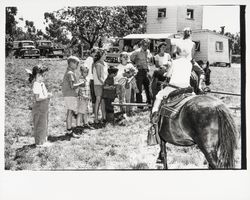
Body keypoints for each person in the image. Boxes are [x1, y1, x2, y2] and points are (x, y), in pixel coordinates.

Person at [151, 27, 198, 122]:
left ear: (177, 53)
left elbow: (168, 75)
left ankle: (154, 113)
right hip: (186, 88)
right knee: (195, 97)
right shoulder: (189, 64)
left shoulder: (174, 62)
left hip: (174, 87)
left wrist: (165, 74)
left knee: (159, 96)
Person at [29, 65, 53, 147]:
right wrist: (47, 96)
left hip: (44, 106)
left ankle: (43, 140)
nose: (44, 77)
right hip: (39, 106)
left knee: (44, 123)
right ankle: (39, 142)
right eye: (43, 75)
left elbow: (43, 94)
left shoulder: (41, 84)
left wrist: (47, 94)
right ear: (38, 75)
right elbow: (37, 98)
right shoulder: (36, 84)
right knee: (39, 123)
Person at [62, 56, 84, 138]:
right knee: (70, 112)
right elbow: (72, 86)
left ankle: (69, 130)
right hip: (70, 94)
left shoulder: (69, 72)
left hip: (69, 94)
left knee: (70, 111)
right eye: (76, 63)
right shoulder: (70, 73)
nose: (77, 65)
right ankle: (69, 130)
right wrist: (80, 83)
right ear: (71, 63)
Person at [130, 38, 152, 108]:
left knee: (148, 88)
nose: (146, 46)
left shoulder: (148, 51)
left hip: (146, 71)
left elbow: (149, 60)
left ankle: (149, 104)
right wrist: (135, 66)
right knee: (139, 89)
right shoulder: (136, 52)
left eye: (147, 45)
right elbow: (130, 59)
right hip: (139, 71)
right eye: (145, 44)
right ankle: (139, 106)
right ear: (142, 44)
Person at [92, 49, 108, 124]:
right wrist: (104, 84)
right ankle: (95, 118)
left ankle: (103, 117)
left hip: (103, 84)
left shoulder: (105, 63)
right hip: (98, 84)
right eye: (105, 54)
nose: (106, 55)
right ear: (101, 55)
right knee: (98, 101)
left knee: (103, 101)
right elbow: (99, 76)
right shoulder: (98, 64)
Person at [83, 48, 97, 114]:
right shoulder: (89, 59)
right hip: (90, 79)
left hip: (92, 79)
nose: (96, 54)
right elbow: (86, 69)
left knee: (92, 96)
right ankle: (88, 110)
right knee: (90, 95)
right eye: (95, 53)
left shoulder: (93, 59)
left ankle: (93, 110)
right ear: (92, 53)